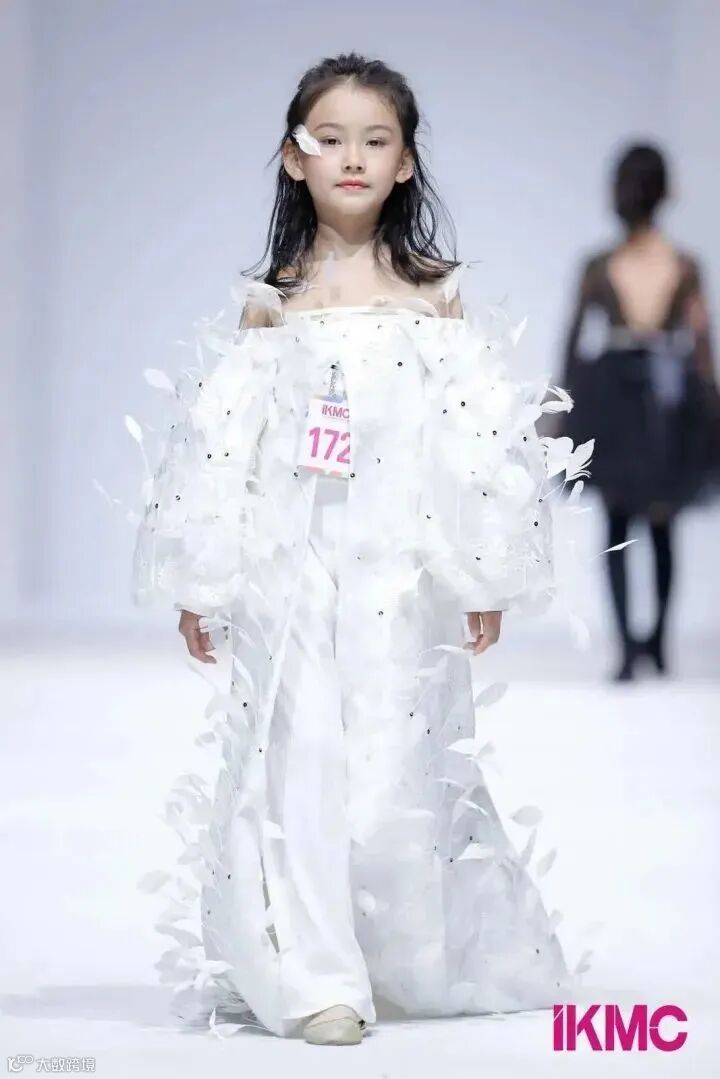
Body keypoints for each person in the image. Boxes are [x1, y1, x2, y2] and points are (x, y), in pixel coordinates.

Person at [132, 53, 582, 1045]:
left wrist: (483, 569)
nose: (352, 157)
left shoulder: (436, 295)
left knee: (392, 769)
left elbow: (472, 445)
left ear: (406, 162)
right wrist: (204, 578)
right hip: (290, 566)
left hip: (401, 573)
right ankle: (318, 978)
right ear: (293, 157)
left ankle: (396, 953)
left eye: (375, 140)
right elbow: (222, 445)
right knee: (296, 760)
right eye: (329, 138)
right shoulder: (271, 298)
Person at [557, 143, 720, 682]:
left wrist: (563, 413)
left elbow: (573, 346)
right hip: (666, 402)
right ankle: (656, 646)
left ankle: (630, 650)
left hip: (613, 397)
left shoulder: (599, 267)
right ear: (666, 192)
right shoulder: (684, 266)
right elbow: (702, 348)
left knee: (617, 522)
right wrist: (709, 412)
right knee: (662, 522)